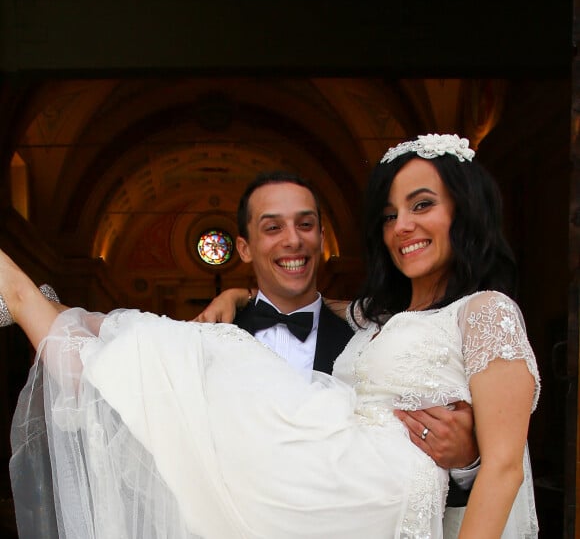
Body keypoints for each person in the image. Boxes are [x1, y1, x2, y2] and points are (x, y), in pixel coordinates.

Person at [1, 133, 539, 538]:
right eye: (390, 213)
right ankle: (41, 307)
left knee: (178, 351)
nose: (401, 225)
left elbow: (503, 467)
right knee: (173, 349)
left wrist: (468, 456)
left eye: (422, 205)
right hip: (294, 491)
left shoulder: (487, 311)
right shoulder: (377, 318)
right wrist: (236, 299)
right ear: (245, 247)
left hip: (370, 501)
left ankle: (33, 303)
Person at [196, 171, 480, 508]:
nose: (293, 240)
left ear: (321, 236)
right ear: (244, 248)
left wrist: (466, 462)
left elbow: (418, 469)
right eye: (273, 228)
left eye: (305, 224)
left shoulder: (370, 345)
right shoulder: (207, 340)